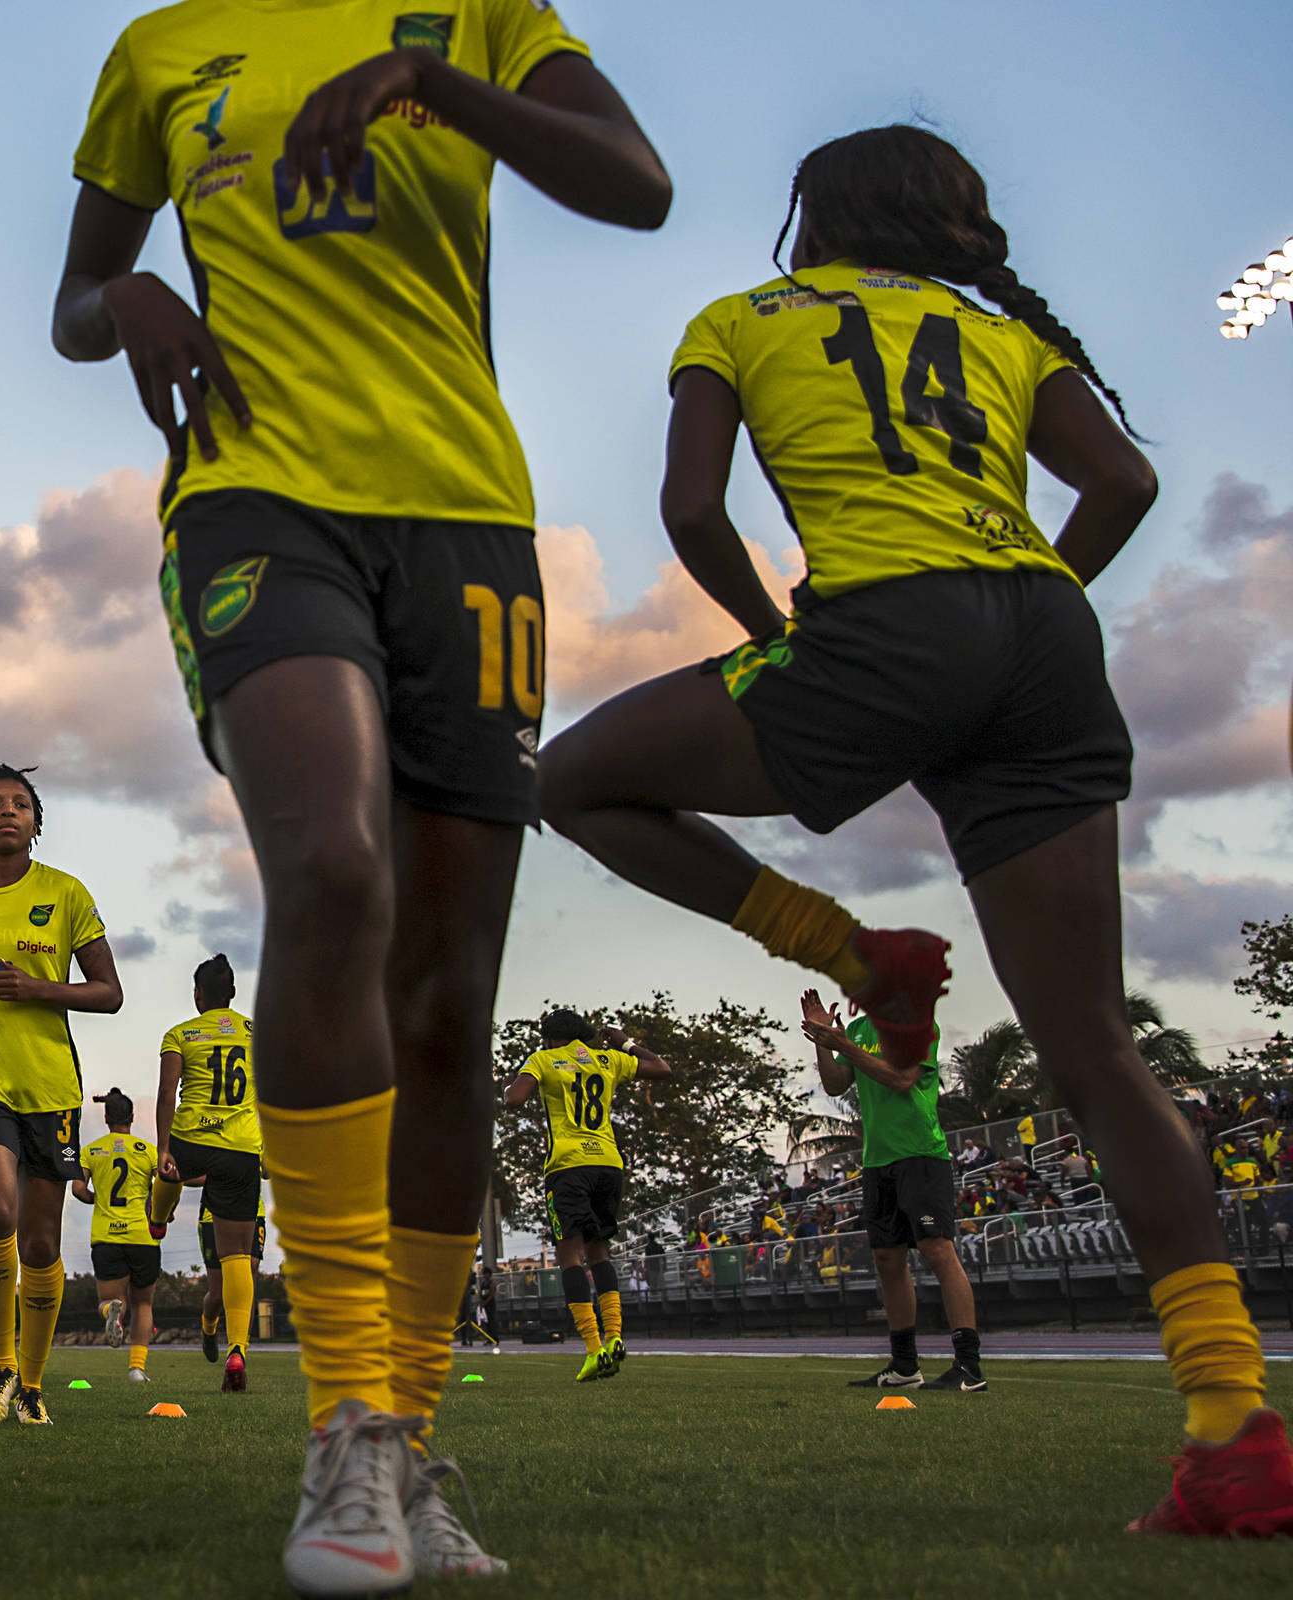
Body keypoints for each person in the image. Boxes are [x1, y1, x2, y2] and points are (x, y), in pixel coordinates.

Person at [533, 125, 1288, 1534]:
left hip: (886, 621)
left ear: (813, 218)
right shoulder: (995, 331)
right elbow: (1123, 484)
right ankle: (1233, 1428)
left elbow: (690, 509)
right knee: (1102, 1053)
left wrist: (774, 640)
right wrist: (1022, 618)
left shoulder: (742, 318)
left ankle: (851, 950)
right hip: (1044, 635)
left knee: (570, 779)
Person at [53, 4, 670, 1590]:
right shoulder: (159, 49)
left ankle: (410, 1433)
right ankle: (341, 1429)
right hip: (255, 495)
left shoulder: (479, 12)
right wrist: (128, 296)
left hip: (466, 514)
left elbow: (634, 182)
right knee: (330, 868)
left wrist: (430, 81)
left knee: (450, 999)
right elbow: (67, 297)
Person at [0, 764, 123, 1426]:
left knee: (39, 1244)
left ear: (36, 824)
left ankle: (31, 1384)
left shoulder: (65, 894)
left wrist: (41, 989)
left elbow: (110, 993)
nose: (8, 812)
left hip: (50, 1087)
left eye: (21, 805)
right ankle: (0, 1368)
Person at [801, 990, 984, 1392]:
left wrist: (845, 1045)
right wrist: (823, 1042)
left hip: (920, 1153)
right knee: (887, 1259)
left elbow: (901, 1078)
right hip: (877, 1161)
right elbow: (835, 1086)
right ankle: (904, 1367)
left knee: (938, 1249)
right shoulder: (860, 1029)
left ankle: (968, 1368)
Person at [503, 1011, 670, 1382]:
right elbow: (662, 1068)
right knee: (600, 1252)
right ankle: (615, 1337)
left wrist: (508, 1085)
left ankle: (594, 1349)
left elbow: (514, 1099)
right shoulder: (606, 1058)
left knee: (570, 1257)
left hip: (568, 1166)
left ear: (548, 1038)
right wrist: (626, 1041)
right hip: (608, 1163)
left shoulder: (543, 1059)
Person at [147, 953, 262, 1392]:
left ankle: (158, 1218)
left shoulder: (180, 1034)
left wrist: (162, 1148)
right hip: (239, 1150)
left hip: (192, 1138)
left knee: (170, 1172)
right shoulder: (256, 1035)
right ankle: (237, 1350)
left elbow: (165, 1093)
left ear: (198, 995)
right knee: (236, 1257)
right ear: (232, 993)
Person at [73, 1088, 162, 1382]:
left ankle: (111, 1311)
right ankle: (137, 1368)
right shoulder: (148, 1150)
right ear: (133, 1118)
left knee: (109, 1301)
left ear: (106, 1117)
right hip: (142, 1235)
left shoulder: (91, 1150)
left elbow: (77, 1189)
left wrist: (95, 1199)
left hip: (106, 1236)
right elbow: (163, 1188)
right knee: (144, 1304)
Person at [200, 1175, 271, 1363]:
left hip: (253, 1212)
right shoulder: (210, 1145)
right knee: (217, 1293)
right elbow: (185, 1175)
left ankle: (239, 1349)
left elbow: (266, 1172)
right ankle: (208, 1328)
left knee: (251, 1268)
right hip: (212, 1215)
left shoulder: (259, 1143)